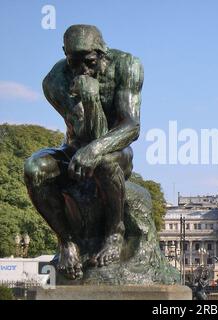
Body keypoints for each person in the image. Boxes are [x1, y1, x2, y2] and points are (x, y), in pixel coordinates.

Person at [24, 25, 143, 280]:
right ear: (65, 54)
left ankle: (114, 232)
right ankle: (67, 242)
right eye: (74, 62)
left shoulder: (127, 66)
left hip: (116, 150)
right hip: (73, 148)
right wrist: (89, 102)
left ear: (103, 52)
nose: (82, 70)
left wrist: (95, 148)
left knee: (102, 162)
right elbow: (83, 132)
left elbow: (131, 126)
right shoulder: (55, 81)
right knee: (33, 169)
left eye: (89, 62)